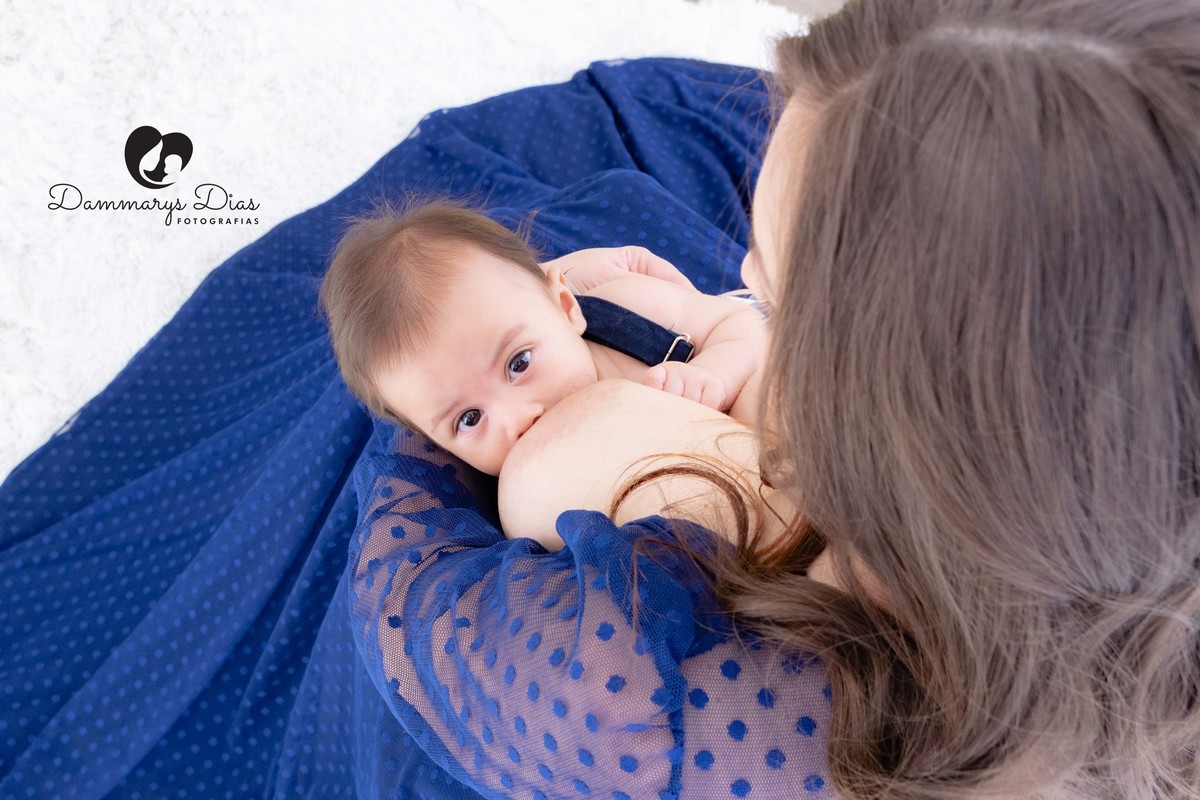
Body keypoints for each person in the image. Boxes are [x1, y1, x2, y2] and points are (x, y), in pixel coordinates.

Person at [352, 0, 1200, 797]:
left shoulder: (713, 697)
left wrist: (444, 436)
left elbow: (423, 607)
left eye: (778, 298)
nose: (742, 296)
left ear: (932, 437)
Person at [319, 201, 767, 481]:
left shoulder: (628, 312)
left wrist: (715, 374)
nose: (518, 420)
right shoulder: (528, 485)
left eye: (518, 364)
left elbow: (739, 320)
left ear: (567, 308)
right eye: (470, 418)